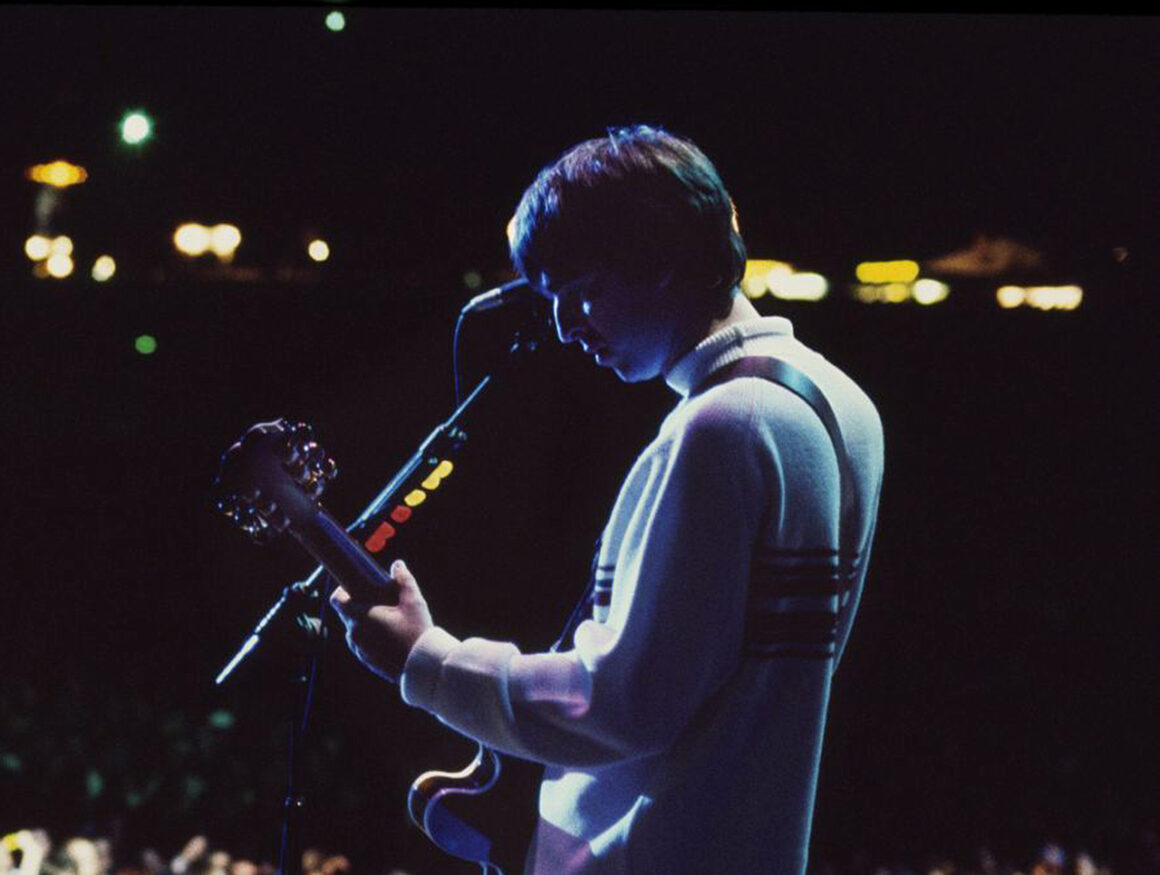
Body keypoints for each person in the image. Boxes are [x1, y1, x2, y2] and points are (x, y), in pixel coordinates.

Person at [330, 124, 885, 875]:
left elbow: (622, 703)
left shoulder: (723, 427)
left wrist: (426, 660)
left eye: (581, 291)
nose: (564, 326)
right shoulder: (844, 406)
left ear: (656, 261)